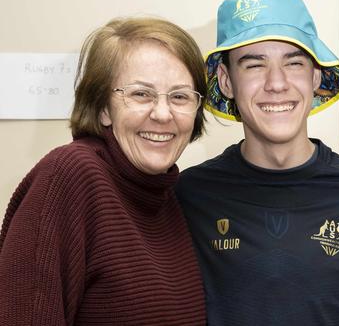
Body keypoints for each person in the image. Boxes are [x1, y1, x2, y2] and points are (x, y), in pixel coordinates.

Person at [175, 0, 339, 325]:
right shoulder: (190, 195)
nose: (276, 83)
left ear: (315, 76)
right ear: (226, 81)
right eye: (254, 65)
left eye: (294, 63)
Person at [0, 17, 207, 325]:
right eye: (141, 94)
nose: (163, 114)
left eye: (179, 96)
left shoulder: (165, 197)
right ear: (103, 108)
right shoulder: (71, 176)